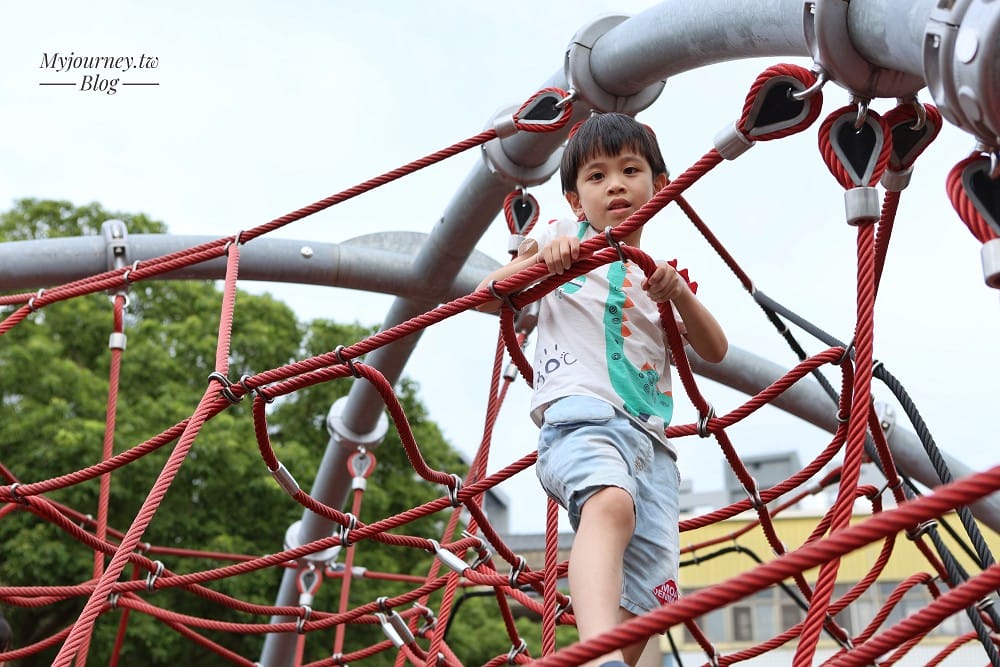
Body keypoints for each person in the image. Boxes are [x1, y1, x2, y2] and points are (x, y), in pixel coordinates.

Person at [479, 112, 728, 667]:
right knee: (610, 504)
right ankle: (596, 653)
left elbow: (715, 350)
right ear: (574, 200)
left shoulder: (660, 277)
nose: (615, 185)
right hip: (583, 419)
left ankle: (609, 656)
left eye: (629, 170)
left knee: (652, 596)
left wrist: (680, 295)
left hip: (653, 450)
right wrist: (541, 263)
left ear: (659, 186)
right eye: (597, 176)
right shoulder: (560, 240)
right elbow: (487, 294)